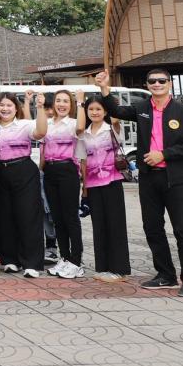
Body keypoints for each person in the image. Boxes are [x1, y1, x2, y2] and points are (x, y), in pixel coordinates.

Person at [99, 69, 183, 296]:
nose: (157, 84)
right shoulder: (142, 108)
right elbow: (116, 111)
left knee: (182, 229)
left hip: (175, 179)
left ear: (169, 84)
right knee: (152, 227)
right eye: (152, 81)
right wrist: (105, 88)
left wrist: (164, 154)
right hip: (148, 178)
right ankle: (165, 275)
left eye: (161, 81)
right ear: (147, 85)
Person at [0, 91, 48, 277]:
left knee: (28, 216)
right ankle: (10, 260)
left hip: (23, 171)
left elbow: (41, 132)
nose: (5, 109)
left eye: (9, 105)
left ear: (16, 108)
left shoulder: (24, 125)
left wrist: (40, 108)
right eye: (1, 105)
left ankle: (32, 263)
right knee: (4, 217)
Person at [74, 90, 130, 281]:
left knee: (116, 224)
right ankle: (103, 267)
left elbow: (116, 117)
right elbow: (83, 162)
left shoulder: (112, 128)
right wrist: (84, 189)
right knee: (99, 225)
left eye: (98, 109)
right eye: (91, 109)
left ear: (105, 111)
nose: (95, 112)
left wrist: (105, 90)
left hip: (112, 182)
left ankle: (119, 269)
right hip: (93, 185)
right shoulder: (83, 135)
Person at [43, 90, 84, 279]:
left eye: (66, 101)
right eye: (58, 100)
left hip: (68, 170)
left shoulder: (73, 123)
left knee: (70, 218)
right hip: (50, 171)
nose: (61, 104)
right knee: (57, 219)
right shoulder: (48, 124)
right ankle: (65, 257)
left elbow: (81, 129)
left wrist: (81, 102)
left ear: (71, 104)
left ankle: (76, 261)